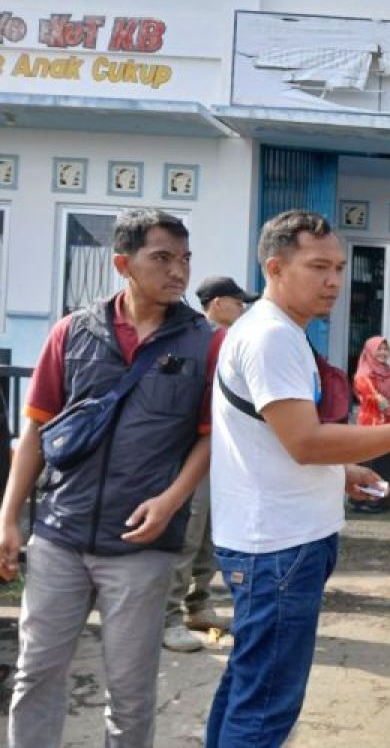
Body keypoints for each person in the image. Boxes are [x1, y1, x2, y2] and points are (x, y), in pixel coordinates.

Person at [206, 209, 390, 747]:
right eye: (318, 266)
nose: (333, 281)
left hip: (275, 539)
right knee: (264, 709)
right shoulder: (272, 337)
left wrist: (340, 472)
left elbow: (277, 439)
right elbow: (304, 441)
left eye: (340, 268)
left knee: (248, 688)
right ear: (275, 267)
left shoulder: (277, 331)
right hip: (277, 546)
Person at [0, 209, 219, 747]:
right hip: (59, 536)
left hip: (142, 544)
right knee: (36, 675)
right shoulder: (71, 333)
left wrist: (170, 501)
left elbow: (210, 437)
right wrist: (8, 518)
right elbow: (34, 434)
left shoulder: (205, 343)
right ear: (123, 263)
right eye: (162, 258)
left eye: (184, 259)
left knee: (130, 691)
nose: (177, 272)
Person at [162, 275, 257, 653]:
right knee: (188, 533)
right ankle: (167, 617)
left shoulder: (229, 339)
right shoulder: (198, 340)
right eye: (237, 301)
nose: (243, 307)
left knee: (212, 537)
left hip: (225, 455)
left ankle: (198, 604)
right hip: (196, 452)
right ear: (217, 303)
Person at [351, 336, 390, 512]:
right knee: (371, 464)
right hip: (371, 427)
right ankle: (367, 501)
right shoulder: (363, 374)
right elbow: (375, 398)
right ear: (369, 351)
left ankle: (385, 500)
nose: (383, 353)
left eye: (385, 349)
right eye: (379, 349)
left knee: (388, 464)